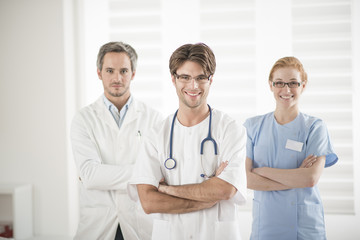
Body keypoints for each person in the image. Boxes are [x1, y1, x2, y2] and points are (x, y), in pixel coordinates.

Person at [127, 43, 247, 240]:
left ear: (211, 80)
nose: (193, 86)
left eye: (201, 78)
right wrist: (206, 199)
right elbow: (148, 201)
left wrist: (166, 189)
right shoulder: (156, 135)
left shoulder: (230, 129)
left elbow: (225, 190)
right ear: (173, 79)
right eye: (185, 77)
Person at [70, 41, 163, 240]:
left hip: (140, 222)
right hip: (98, 224)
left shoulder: (153, 119)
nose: (117, 78)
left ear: (133, 74)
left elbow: (161, 173)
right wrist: (143, 174)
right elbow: (90, 175)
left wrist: (104, 174)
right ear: (99, 73)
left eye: (123, 71)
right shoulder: (84, 119)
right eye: (110, 70)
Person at [244, 56, 338, 240]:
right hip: (266, 227)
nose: (286, 90)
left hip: (305, 228)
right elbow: (246, 180)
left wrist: (262, 171)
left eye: (293, 83)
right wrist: (296, 177)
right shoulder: (252, 127)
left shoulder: (315, 127)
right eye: (279, 83)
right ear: (270, 85)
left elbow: (310, 178)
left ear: (303, 85)